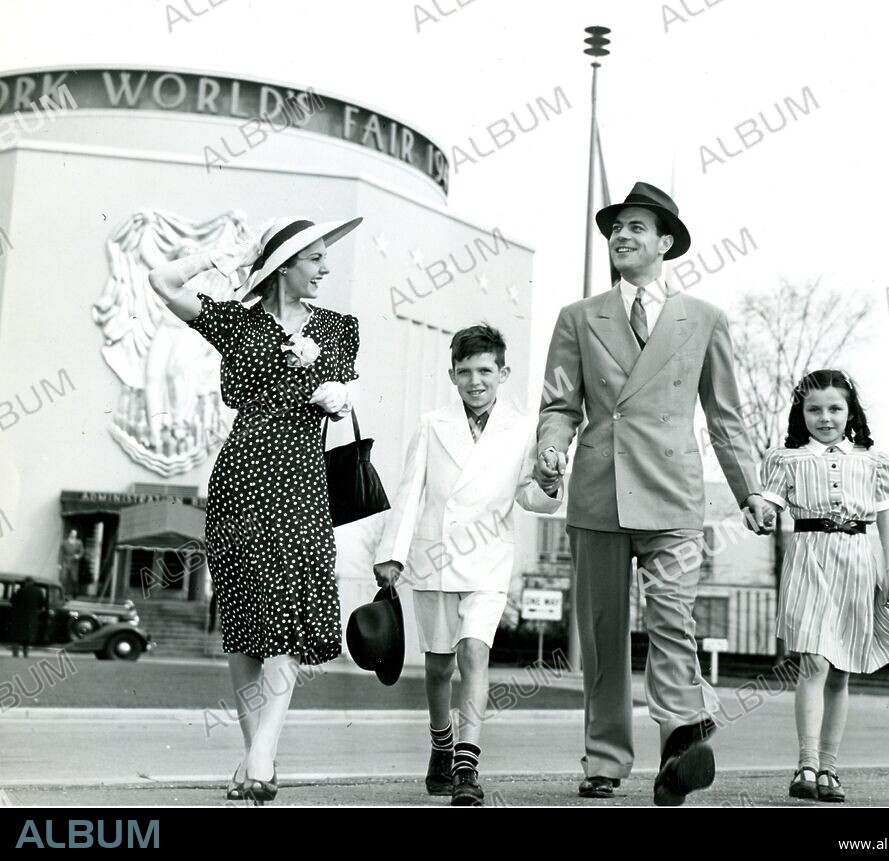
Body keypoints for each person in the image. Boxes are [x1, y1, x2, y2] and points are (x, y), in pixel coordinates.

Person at [535, 182, 774, 805]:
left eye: (636, 227)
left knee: (673, 619)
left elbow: (726, 417)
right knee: (603, 634)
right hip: (599, 492)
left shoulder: (705, 319)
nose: (622, 235)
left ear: (666, 242)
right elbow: (559, 404)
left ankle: (679, 743)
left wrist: (751, 490)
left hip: (673, 496)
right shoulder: (578, 317)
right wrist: (551, 447)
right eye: (616, 227)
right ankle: (605, 761)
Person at [148, 215, 363, 804]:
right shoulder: (237, 322)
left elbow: (340, 391)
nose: (325, 268)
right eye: (315, 258)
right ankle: (257, 760)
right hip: (240, 479)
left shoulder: (339, 328)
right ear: (283, 267)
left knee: (288, 616)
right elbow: (163, 281)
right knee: (245, 627)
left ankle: (261, 754)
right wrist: (224, 257)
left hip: (300, 482)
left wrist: (334, 391)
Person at [374, 325, 563, 806]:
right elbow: (410, 492)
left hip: (488, 562)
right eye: (465, 372)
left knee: (474, 653)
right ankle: (441, 745)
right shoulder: (432, 424)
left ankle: (466, 766)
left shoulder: (522, 429)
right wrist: (391, 555)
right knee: (438, 668)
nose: (475, 381)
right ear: (452, 375)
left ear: (503, 373)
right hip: (434, 560)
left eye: (484, 371)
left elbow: (532, 497)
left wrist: (549, 482)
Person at [760, 370, 889, 803]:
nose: (824, 418)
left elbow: (887, 520)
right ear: (801, 413)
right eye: (814, 409)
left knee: (840, 671)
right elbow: (767, 506)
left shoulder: (873, 462)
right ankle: (806, 765)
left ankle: (829, 769)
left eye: (834, 408)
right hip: (808, 559)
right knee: (813, 662)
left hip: (857, 563)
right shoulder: (785, 460)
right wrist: (759, 513)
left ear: (850, 412)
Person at [10, 577, 47, 658]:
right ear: (32, 582)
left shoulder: (20, 590)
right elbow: (42, 605)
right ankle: (25, 653)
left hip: (19, 617)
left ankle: (15, 653)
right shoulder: (38, 591)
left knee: (17, 636)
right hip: (32, 618)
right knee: (28, 637)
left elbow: (13, 601)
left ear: (26, 582)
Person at [59, 530, 84, 597]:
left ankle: (75, 593)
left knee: (74, 579)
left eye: (75, 535)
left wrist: (78, 556)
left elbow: (82, 551)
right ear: (70, 534)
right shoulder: (64, 542)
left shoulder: (79, 543)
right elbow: (61, 553)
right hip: (66, 561)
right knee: (63, 578)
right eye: (72, 534)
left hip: (74, 563)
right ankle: (62, 593)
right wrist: (59, 563)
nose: (74, 536)